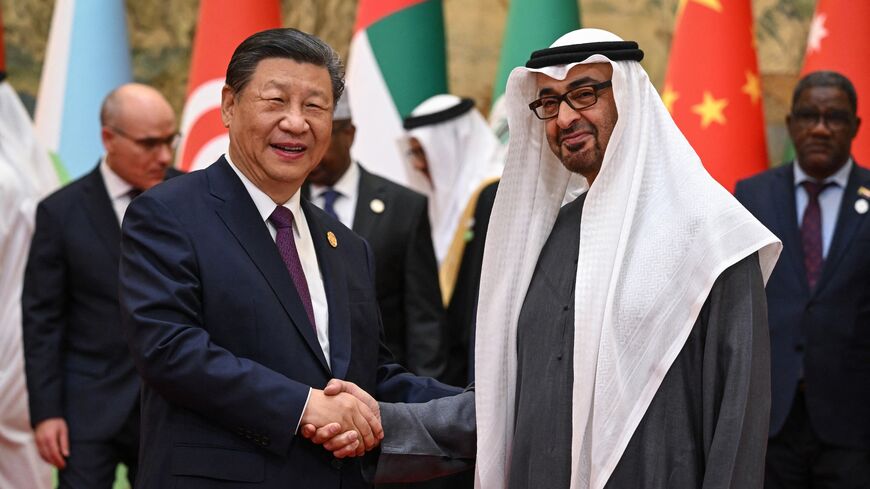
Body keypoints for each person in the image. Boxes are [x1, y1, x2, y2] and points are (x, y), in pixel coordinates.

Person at [308, 28, 783, 489]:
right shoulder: (550, 238)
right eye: (550, 103)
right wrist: (379, 420)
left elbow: (738, 424)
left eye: (584, 93)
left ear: (629, 98)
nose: (563, 118)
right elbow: (507, 405)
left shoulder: (711, 237)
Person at [117, 28, 459, 489]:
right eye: (276, 101)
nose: (297, 123)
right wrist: (304, 406)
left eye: (315, 107)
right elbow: (170, 349)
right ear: (228, 105)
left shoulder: (347, 245)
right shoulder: (168, 214)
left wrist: (483, 407)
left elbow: (370, 376)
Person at [21, 82, 180, 488]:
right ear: (108, 138)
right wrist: (46, 412)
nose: (163, 156)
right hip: (87, 408)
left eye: (170, 140)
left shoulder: (192, 198)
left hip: (173, 403)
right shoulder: (61, 212)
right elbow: (43, 321)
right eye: (149, 143)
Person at [735, 70, 870, 488]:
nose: (820, 128)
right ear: (792, 122)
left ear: (855, 127)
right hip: (771, 416)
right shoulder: (752, 196)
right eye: (809, 116)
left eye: (834, 118)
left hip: (853, 421)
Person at [307, 93, 447, 379]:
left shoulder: (403, 206)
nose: (308, 151)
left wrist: (425, 404)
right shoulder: (285, 204)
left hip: (382, 387)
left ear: (349, 134)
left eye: (320, 138)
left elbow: (423, 318)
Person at [402, 95, 502, 278]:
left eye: (422, 152)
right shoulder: (441, 199)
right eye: (414, 153)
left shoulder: (495, 194)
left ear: (448, 147)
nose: (417, 165)